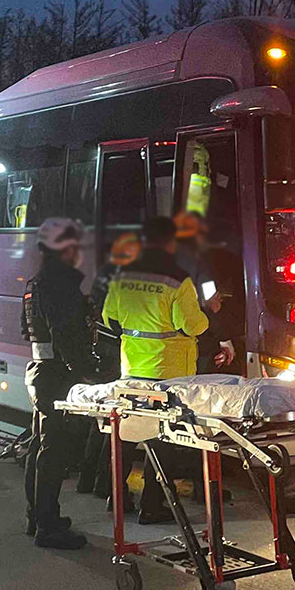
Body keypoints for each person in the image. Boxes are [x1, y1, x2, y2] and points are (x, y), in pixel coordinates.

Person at [102, 216, 212, 524]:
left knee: (126, 435)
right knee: (162, 439)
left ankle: (117, 497)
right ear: (170, 242)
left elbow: (109, 318)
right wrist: (208, 314)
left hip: (131, 369)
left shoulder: (123, 275)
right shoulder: (178, 279)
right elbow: (191, 325)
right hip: (167, 371)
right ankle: (152, 504)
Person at [21, 217, 98, 550]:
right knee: (54, 452)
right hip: (56, 376)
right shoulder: (61, 283)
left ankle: (37, 516)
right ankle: (48, 527)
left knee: (39, 446)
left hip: (40, 370)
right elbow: (65, 335)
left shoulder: (36, 283)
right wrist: (86, 374)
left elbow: (27, 330)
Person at [76, 232, 141, 499]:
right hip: (118, 353)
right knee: (118, 421)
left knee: (101, 418)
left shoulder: (105, 274)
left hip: (103, 351)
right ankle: (107, 483)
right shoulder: (127, 279)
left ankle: (87, 478)